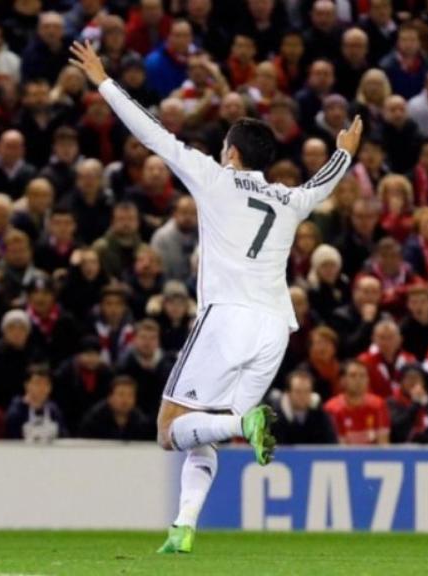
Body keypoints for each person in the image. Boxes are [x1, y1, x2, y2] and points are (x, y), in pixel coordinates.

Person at [69, 41, 362, 553]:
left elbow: (151, 133)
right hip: (275, 329)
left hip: (228, 320)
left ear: (231, 153)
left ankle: (244, 422)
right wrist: (345, 153)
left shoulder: (215, 179)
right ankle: (183, 527)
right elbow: (323, 184)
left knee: (169, 429)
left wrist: (103, 80)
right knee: (202, 433)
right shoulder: (288, 199)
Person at [323, 361, 391, 445]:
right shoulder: (331, 408)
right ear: (342, 381)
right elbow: (338, 447)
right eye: (353, 376)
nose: (358, 380)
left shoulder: (379, 405)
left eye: (363, 376)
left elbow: (383, 444)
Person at [271, 370, 337, 445]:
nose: (303, 396)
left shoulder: (321, 416)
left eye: (307, 391)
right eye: (298, 391)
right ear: (288, 393)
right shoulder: (275, 419)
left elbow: (332, 446)